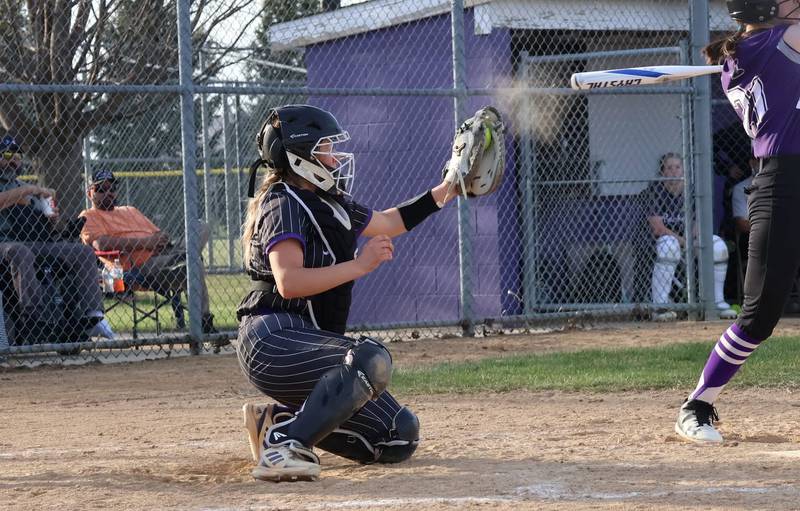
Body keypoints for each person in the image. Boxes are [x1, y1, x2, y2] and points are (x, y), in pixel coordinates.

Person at [237, 104, 470, 482]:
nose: (334, 157)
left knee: (398, 435)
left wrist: (449, 188)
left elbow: (391, 222)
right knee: (369, 359)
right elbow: (289, 281)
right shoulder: (284, 203)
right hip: (272, 339)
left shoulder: (331, 202)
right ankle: (285, 444)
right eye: (325, 149)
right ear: (300, 157)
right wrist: (360, 266)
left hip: (305, 339)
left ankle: (275, 421)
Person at [674, 0, 800, 443]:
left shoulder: (757, 47)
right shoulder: (768, 44)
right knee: (759, 316)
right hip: (783, 183)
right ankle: (698, 404)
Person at [0, 134, 114, 339]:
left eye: (17, 155)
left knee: (83, 252)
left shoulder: (23, 186)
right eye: (7, 154)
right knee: (20, 252)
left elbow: (46, 220)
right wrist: (28, 190)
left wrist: (50, 217)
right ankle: (34, 318)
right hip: (5, 243)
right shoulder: (26, 188)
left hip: (34, 241)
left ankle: (93, 315)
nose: (13, 159)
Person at [79, 170, 216, 333]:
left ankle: (185, 255)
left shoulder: (130, 210)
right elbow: (101, 244)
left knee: (201, 226)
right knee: (194, 263)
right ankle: (204, 321)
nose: (109, 192)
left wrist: (160, 239)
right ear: (89, 193)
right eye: (101, 189)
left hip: (164, 255)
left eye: (112, 188)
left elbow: (158, 233)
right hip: (136, 269)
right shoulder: (89, 215)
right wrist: (146, 243)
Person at [645, 152, 737, 322]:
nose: (673, 171)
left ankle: (717, 302)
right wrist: (684, 241)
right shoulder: (655, 190)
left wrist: (693, 238)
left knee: (718, 247)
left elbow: (700, 222)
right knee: (669, 246)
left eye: (677, 167)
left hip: (690, 239)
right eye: (669, 168)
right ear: (662, 172)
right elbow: (657, 228)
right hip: (664, 241)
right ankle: (660, 306)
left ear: (684, 171)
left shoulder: (692, 190)